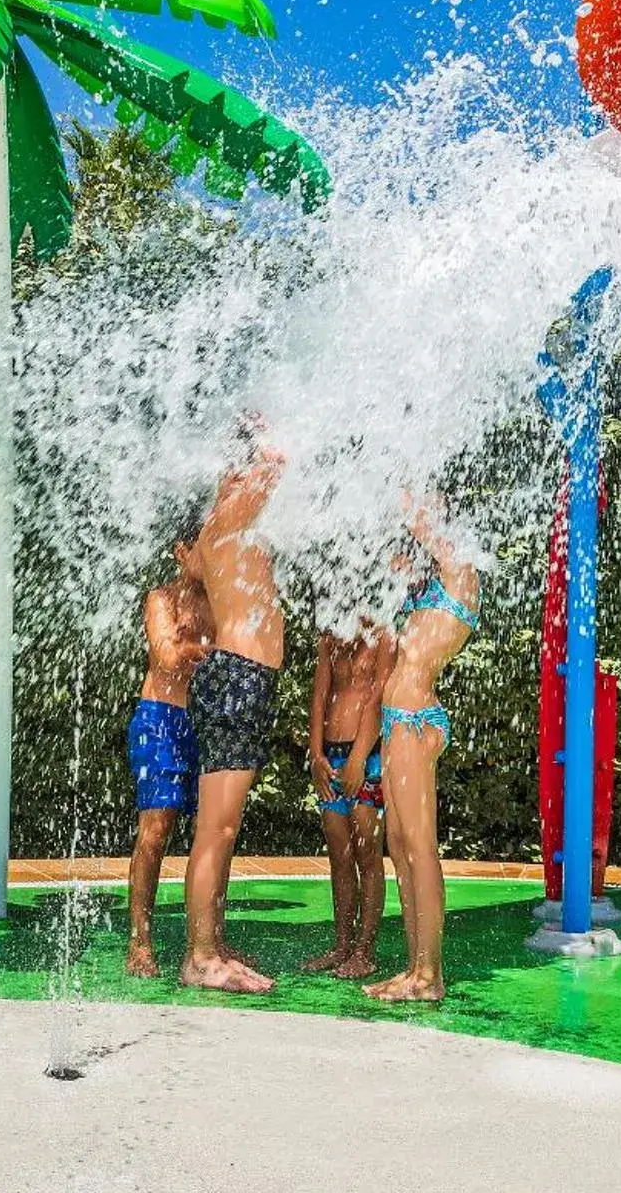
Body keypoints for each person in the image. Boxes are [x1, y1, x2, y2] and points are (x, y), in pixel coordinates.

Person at [181, 422, 287, 994]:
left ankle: (211, 943)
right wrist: (269, 425)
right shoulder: (223, 521)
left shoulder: (233, 530)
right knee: (215, 830)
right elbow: (276, 462)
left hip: (245, 683)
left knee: (223, 829)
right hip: (235, 682)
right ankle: (199, 958)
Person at [366, 495, 482, 1004]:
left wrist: (404, 486)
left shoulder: (463, 571)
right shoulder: (434, 578)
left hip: (415, 721)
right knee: (397, 843)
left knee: (419, 845)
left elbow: (419, 515)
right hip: (398, 720)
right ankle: (413, 966)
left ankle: (429, 974)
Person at [124, 535, 212, 978]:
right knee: (155, 831)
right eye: (204, 546)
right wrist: (202, 650)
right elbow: (166, 657)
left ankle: (209, 941)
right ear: (181, 551)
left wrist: (190, 647)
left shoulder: (219, 602)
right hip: (158, 718)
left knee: (209, 835)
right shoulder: (161, 599)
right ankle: (140, 941)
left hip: (202, 723)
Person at [304, 618, 393, 979]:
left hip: (367, 758)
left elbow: (379, 697)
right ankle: (342, 944)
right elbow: (320, 695)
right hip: (331, 758)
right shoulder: (332, 636)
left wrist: (359, 758)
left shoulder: (385, 634)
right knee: (339, 856)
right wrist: (315, 755)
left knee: (367, 855)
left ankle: (364, 951)